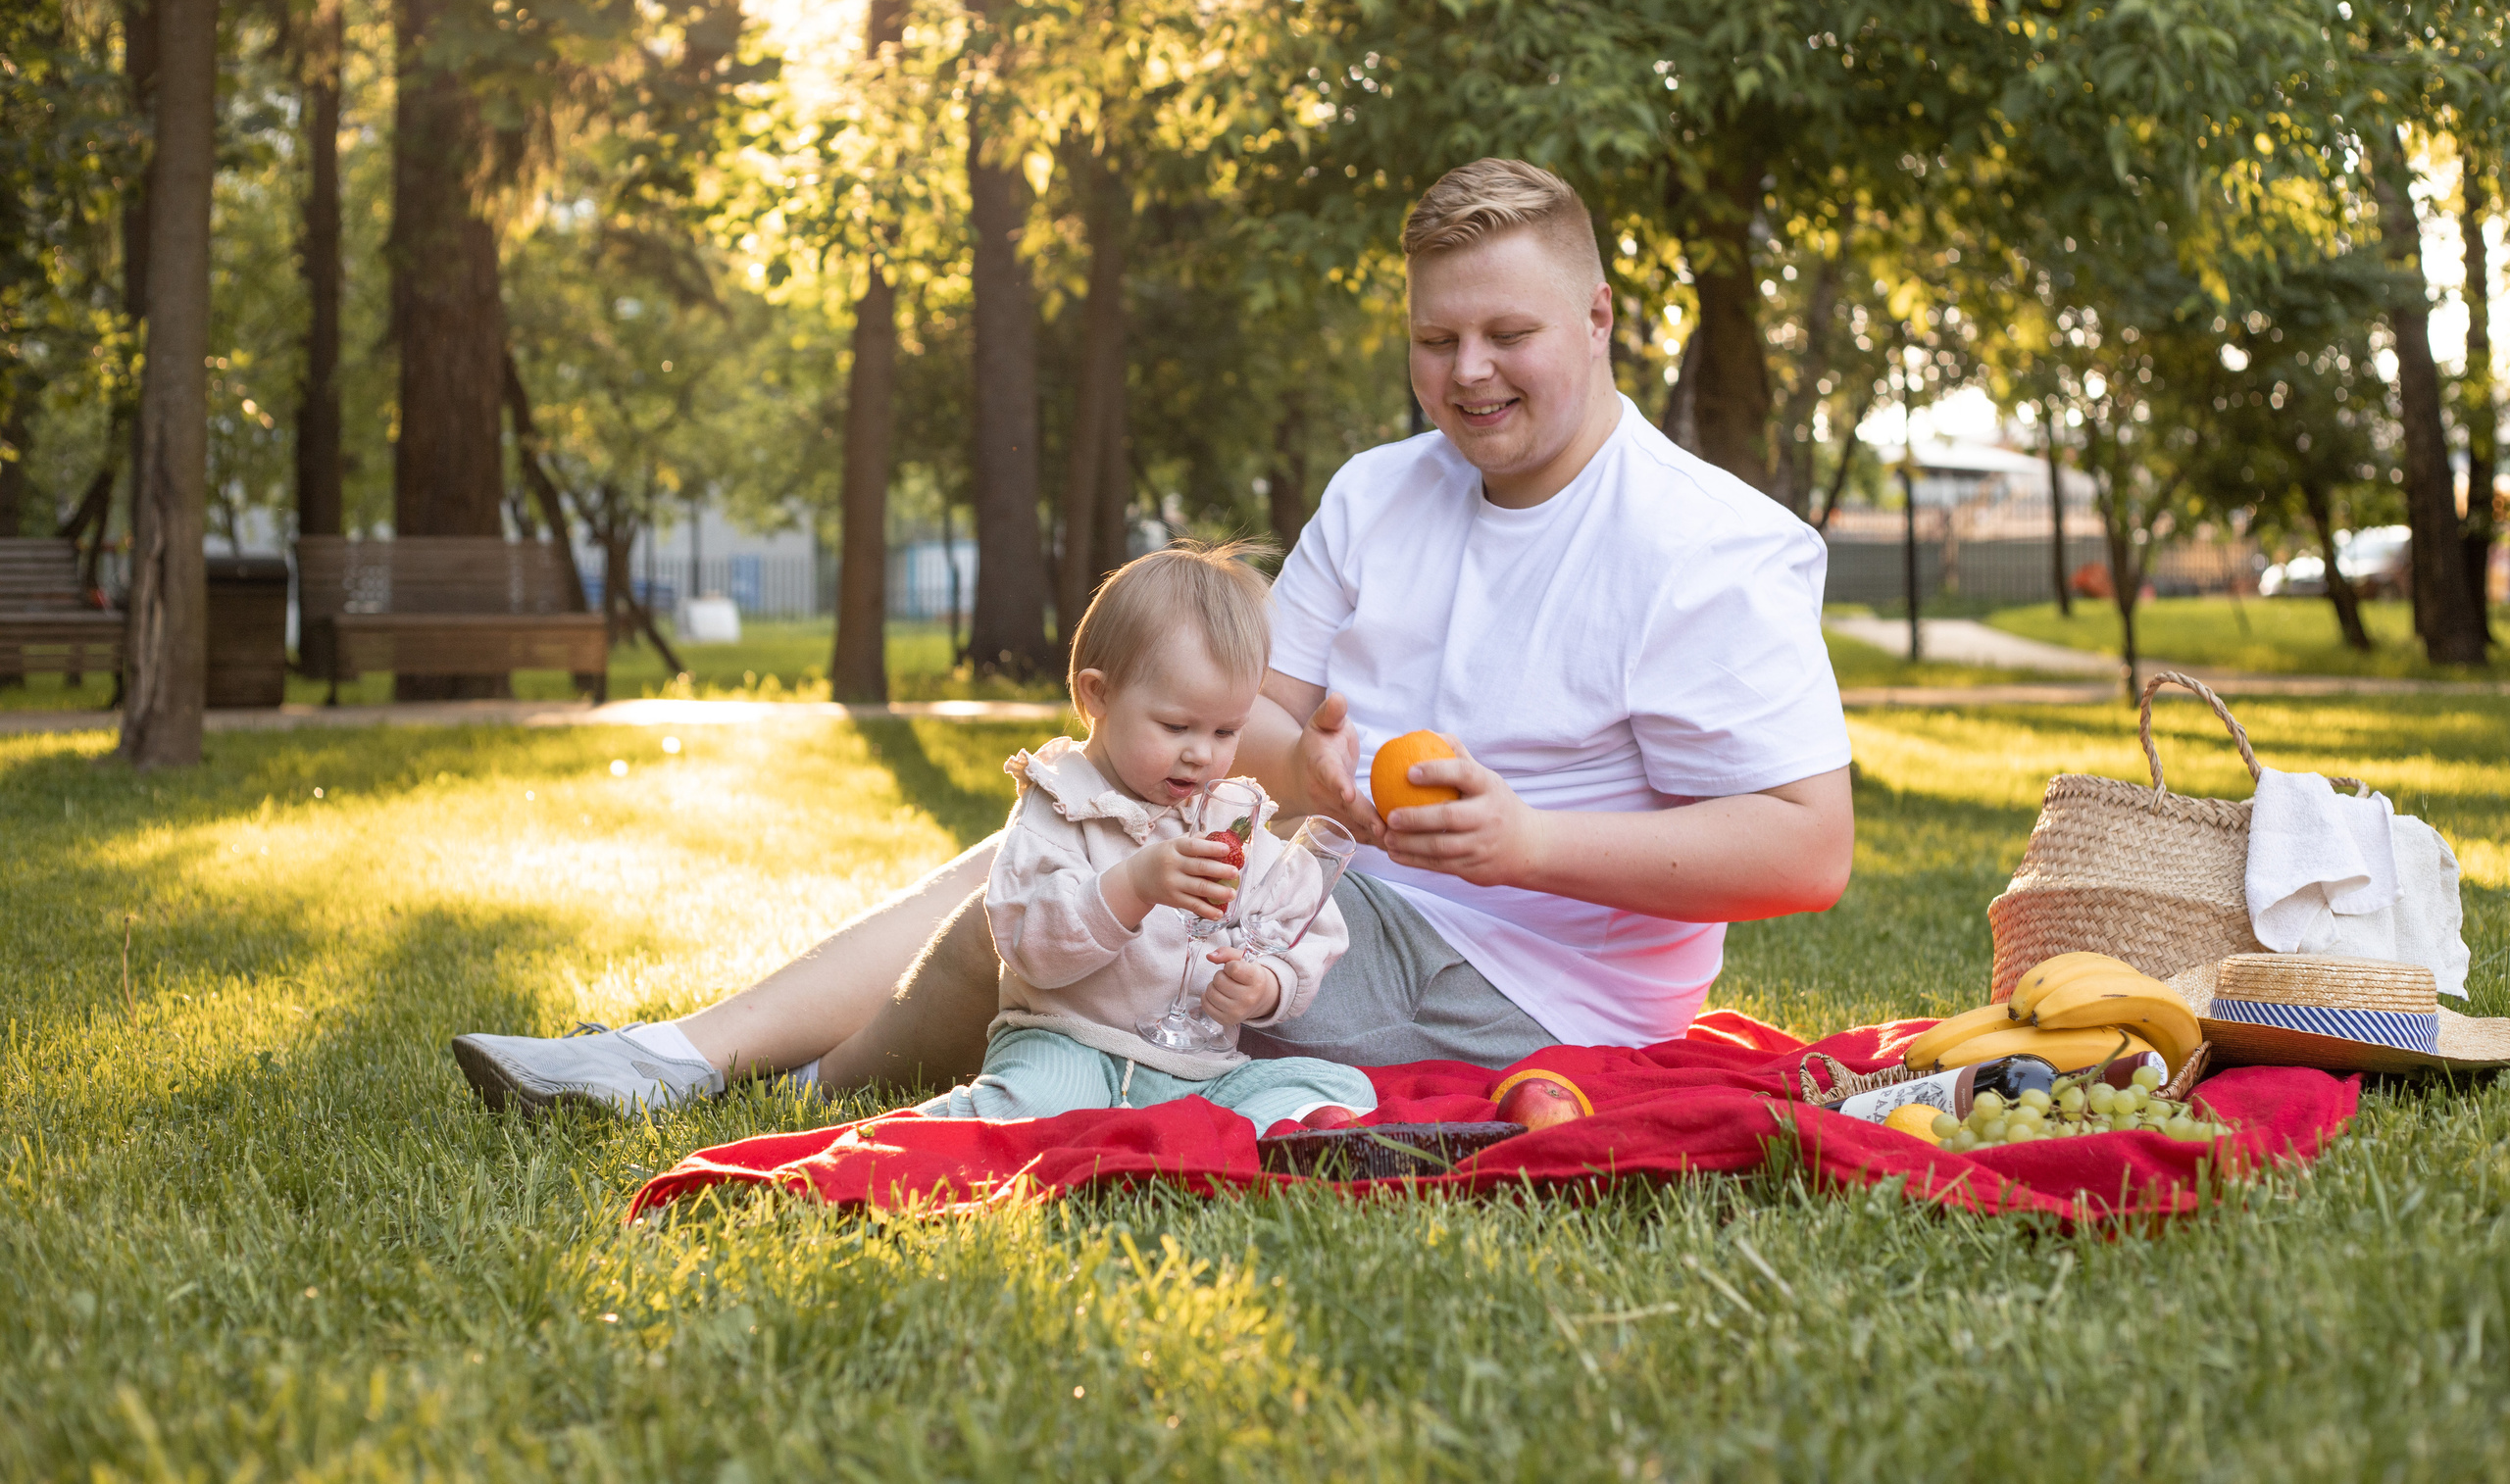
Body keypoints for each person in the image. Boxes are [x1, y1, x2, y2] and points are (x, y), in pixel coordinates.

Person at [448, 158, 1854, 1116]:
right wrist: (1310, 781)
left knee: (1054, 910)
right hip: (1336, 881)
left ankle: (805, 1096)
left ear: (1600, 317)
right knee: (1072, 826)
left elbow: (1807, 848)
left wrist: (1526, 842)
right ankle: (690, 1059)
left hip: (1529, 983)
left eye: (1508, 333)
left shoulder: (1707, 544)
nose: (1467, 374)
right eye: (1437, 339)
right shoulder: (1382, 488)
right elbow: (1240, 717)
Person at [904, 540, 1375, 1132]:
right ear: (1095, 695)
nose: (1202, 754)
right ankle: (916, 1140)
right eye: (1176, 726)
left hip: (1194, 1068)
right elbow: (1029, 942)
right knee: (1038, 1101)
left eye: (1227, 730)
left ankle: (1235, 1136)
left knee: (1339, 1084)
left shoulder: (1230, 817)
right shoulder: (1062, 803)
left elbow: (1307, 916)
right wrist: (1134, 884)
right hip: (1068, 1043)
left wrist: (1268, 984)